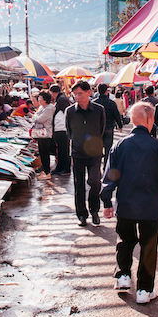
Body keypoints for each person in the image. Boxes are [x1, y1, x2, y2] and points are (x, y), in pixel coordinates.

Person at [101, 102, 158, 304]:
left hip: (125, 204)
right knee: (148, 246)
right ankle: (144, 289)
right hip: (150, 206)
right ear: (150, 120)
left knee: (125, 241)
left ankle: (123, 276)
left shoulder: (120, 145)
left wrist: (107, 201)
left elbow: (110, 176)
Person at [65, 81, 105, 226]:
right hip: (77, 153)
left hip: (95, 153)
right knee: (78, 184)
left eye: (80, 93)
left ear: (89, 92)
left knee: (95, 182)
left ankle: (94, 210)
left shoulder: (99, 110)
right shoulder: (70, 111)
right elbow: (68, 131)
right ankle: (81, 214)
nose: (77, 97)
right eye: (75, 94)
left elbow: (102, 129)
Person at [94, 84, 124, 169]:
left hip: (97, 130)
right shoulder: (111, 103)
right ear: (106, 91)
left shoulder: (94, 103)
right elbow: (116, 115)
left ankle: (97, 167)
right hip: (109, 128)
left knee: (97, 150)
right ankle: (106, 167)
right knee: (108, 149)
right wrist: (120, 125)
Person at [31, 91, 56, 180]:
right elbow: (34, 117)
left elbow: (40, 119)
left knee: (45, 153)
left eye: (40, 98)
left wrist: (37, 118)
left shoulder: (48, 108)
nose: (39, 100)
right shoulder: (42, 107)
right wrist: (36, 118)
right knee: (42, 153)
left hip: (45, 134)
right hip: (41, 134)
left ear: (45, 99)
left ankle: (47, 173)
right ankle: (45, 171)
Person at [49, 84, 71, 175]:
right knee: (62, 150)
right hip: (60, 128)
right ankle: (61, 167)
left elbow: (67, 112)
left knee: (63, 150)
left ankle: (64, 168)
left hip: (62, 129)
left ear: (53, 92)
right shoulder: (61, 98)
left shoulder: (61, 99)